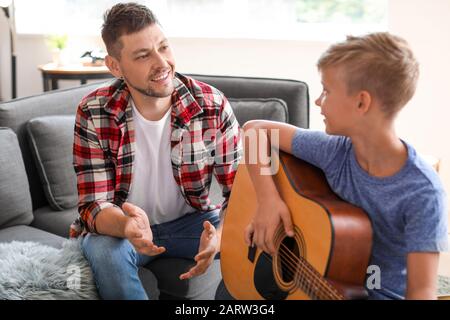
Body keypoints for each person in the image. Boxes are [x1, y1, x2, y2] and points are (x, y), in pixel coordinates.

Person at [242, 32, 448, 300]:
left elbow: (422, 291)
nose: (317, 101)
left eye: (326, 91)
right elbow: (254, 131)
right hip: (317, 276)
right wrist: (268, 201)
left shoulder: (424, 193)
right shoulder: (334, 149)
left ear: (361, 102)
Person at [69, 2, 242, 300]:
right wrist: (127, 226)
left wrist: (222, 237)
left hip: (192, 224)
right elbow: (93, 206)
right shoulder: (93, 111)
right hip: (123, 232)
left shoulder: (212, 105)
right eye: (143, 55)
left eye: (163, 47)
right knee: (103, 250)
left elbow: (239, 191)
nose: (162, 62)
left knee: (259, 241)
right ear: (115, 66)